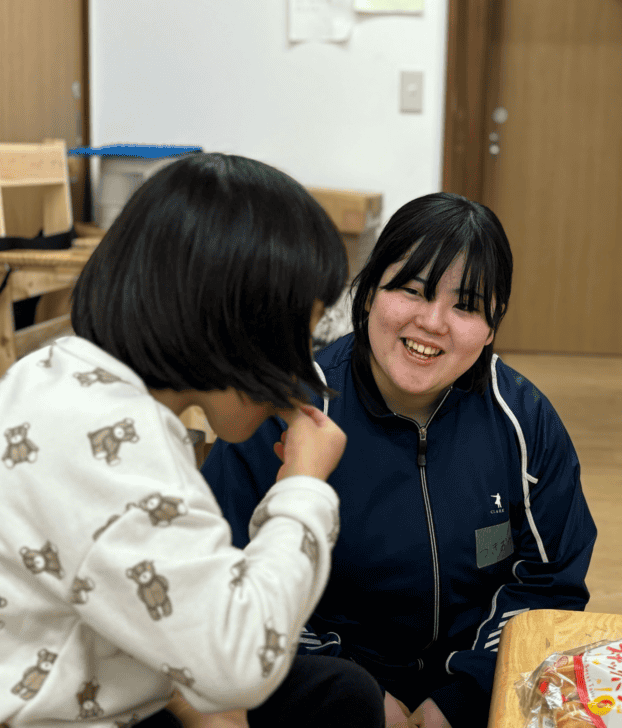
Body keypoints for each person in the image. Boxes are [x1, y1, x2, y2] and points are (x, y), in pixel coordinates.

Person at [0, 153, 385, 728]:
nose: (303, 371)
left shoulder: (58, 371)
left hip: (52, 677)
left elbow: (141, 595)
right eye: (297, 339)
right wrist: (304, 487)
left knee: (337, 691)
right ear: (230, 324)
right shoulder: (116, 452)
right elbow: (242, 663)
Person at [201, 192, 598, 727]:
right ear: (368, 293)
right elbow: (227, 578)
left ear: (492, 326)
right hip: (324, 695)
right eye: (411, 290)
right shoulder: (286, 411)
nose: (432, 322)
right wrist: (357, 692)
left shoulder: (522, 420)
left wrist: (462, 698)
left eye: (465, 305)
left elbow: (549, 581)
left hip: (478, 694)